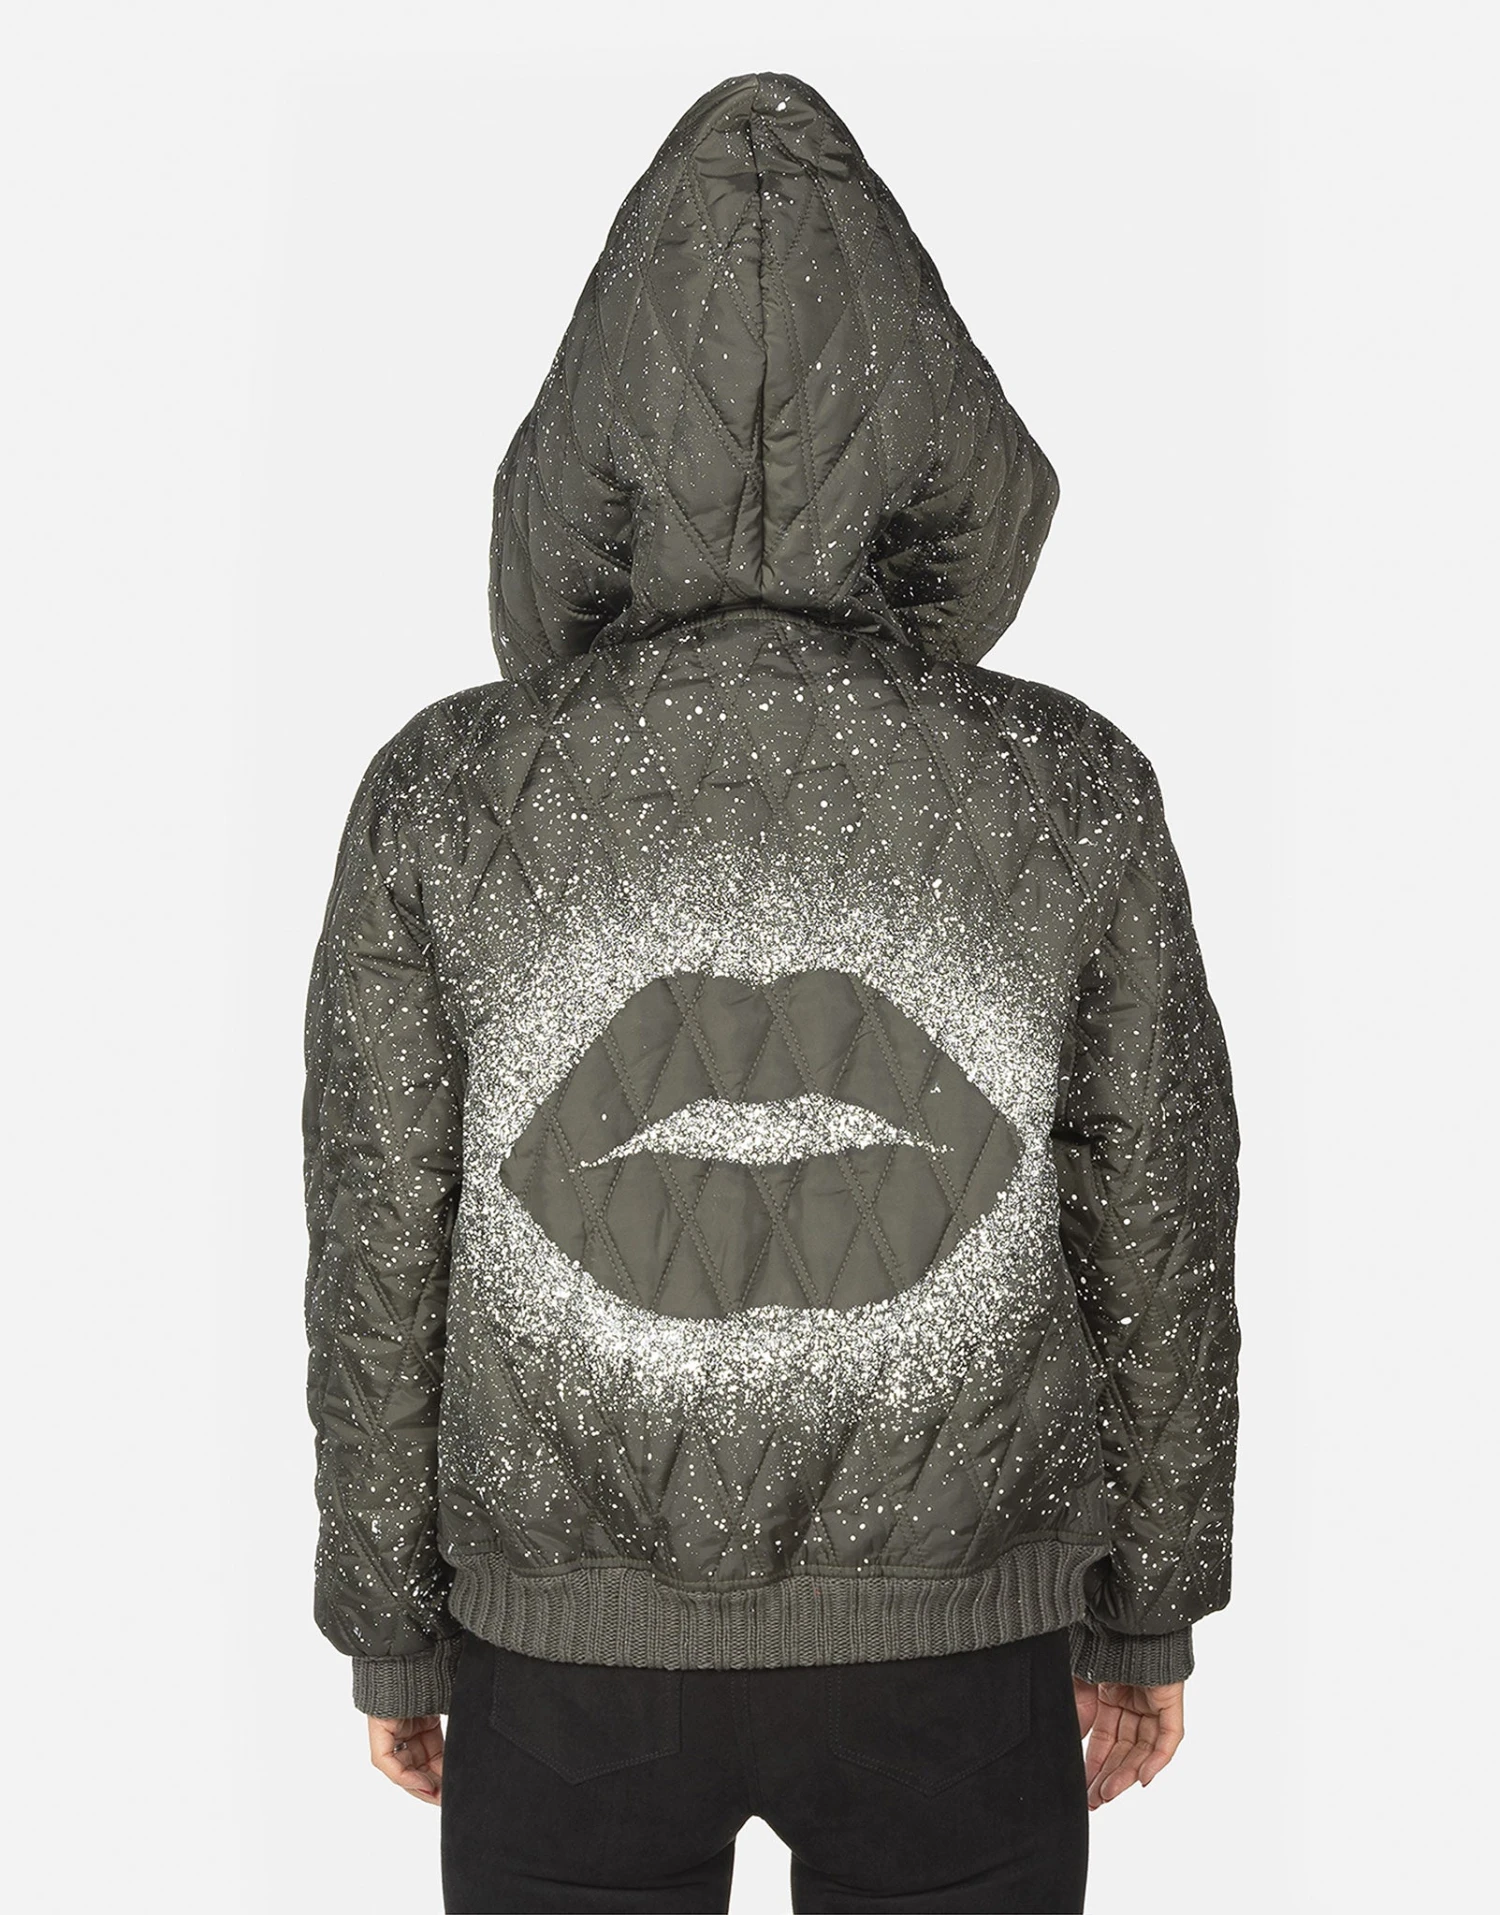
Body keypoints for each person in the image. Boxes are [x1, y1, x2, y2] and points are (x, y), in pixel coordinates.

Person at [302, 69, 1241, 1915]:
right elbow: (1159, 1210)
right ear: (939, 429)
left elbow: (380, 1232)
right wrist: (1150, 1604)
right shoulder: (1073, 786)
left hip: (562, 1679)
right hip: (960, 1665)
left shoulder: (442, 790)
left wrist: (392, 1622)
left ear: (591, 434)